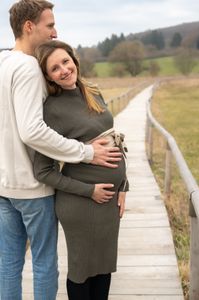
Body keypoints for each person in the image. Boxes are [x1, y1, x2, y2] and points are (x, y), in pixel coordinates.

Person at [0, 1, 122, 299]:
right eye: (49, 25)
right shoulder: (29, 67)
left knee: (9, 263)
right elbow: (33, 130)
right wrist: (86, 152)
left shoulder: (4, 63)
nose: (55, 32)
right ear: (29, 27)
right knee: (44, 263)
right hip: (32, 185)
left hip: (5, 183)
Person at [33, 39, 129, 300]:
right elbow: (44, 171)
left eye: (65, 61)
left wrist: (123, 186)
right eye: (54, 68)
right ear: (48, 76)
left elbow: (113, 139)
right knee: (82, 268)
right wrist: (89, 191)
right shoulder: (51, 111)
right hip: (81, 201)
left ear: (74, 61)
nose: (63, 70)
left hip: (109, 200)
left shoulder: (91, 91)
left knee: (103, 265)